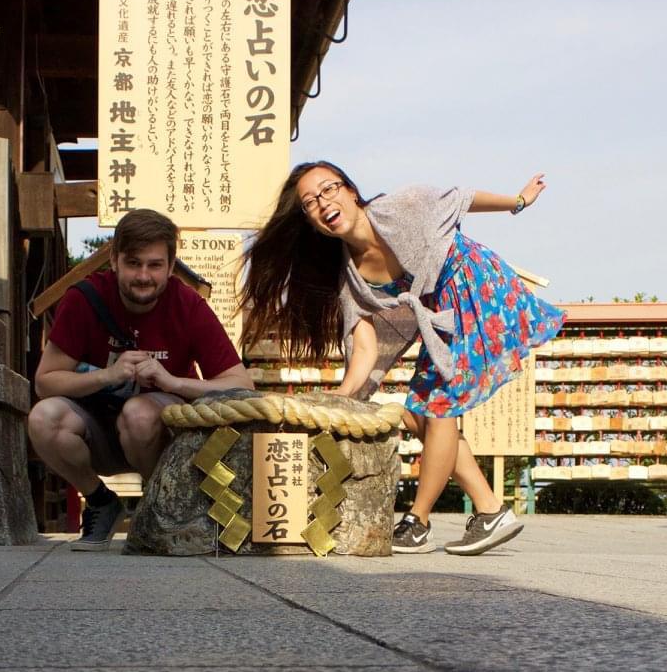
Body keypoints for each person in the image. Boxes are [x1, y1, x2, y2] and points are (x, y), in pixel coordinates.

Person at [237, 163, 563, 555]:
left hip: (475, 287)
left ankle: (418, 521)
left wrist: (519, 200)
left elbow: (462, 198)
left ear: (351, 191)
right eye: (310, 203)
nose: (324, 203)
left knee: (435, 405)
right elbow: (365, 349)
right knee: (416, 413)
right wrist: (339, 400)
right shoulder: (350, 280)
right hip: (442, 316)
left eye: (329, 190)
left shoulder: (401, 207)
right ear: (310, 222)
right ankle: (490, 509)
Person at [31, 208, 252, 550]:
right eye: (134, 263)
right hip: (95, 430)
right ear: (114, 261)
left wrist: (173, 382)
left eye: (154, 265)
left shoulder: (187, 305)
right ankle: (101, 501)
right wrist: (107, 375)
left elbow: (241, 385)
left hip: (156, 432)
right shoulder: (84, 299)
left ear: (170, 265)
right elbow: (45, 382)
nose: (144, 275)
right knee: (44, 419)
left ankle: (158, 501)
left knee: (139, 412)